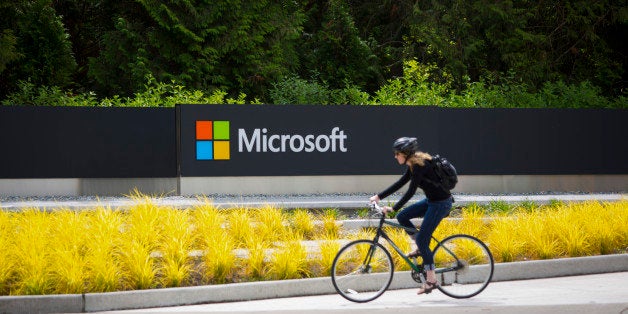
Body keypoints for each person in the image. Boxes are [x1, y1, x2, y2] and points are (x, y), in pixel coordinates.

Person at [369, 137, 453, 295]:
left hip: (441, 204)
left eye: (397, 154)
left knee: (422, 239)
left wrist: (393, 207)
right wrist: (378, 197)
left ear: (405, 154)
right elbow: (401, 183)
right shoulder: (413, 164)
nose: (395, 156)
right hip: (431, 201)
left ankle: (431, 280)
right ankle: (421, 248)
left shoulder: (419, 165)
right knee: (402, 217)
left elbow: (410, 191)